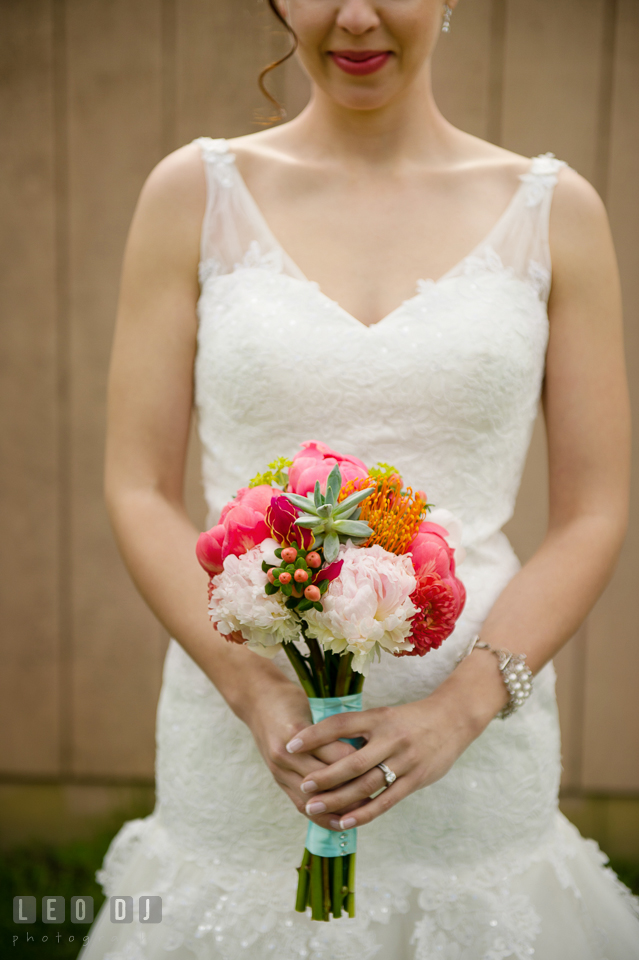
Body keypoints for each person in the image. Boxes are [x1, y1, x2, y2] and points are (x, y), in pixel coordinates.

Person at [79, 1, 639, 957]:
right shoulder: (195, 192)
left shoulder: (556, 210)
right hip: (249, 746)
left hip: (475, 757)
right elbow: (138, 484)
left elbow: (594, 510)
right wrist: (258, 696)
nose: (353, 16)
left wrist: (461, 707)